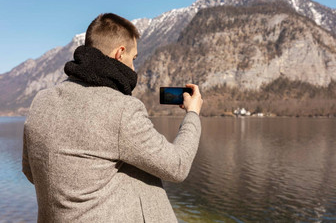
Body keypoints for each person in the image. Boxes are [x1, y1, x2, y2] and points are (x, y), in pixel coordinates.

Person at [22, 13, 203, 222]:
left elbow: (31, 171)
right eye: (134, 59)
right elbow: (177, 166)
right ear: (120, 53)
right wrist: (192, 113)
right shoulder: (121, 109)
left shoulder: (41, 101)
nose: (134, 67)